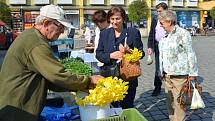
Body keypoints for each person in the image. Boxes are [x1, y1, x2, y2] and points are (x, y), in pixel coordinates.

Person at [0, 4, 102, 118]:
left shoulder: (33, 37)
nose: (62, 31)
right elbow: (57, 74)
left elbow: (50, 80)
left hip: (18, 106)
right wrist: (88, 81)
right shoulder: (36, 43)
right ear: (46, 23)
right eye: (60, 26)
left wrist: (80, 86)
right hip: (17, 109)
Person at [96, 6, 144, 109]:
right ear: (109, 19)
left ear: (123, 19)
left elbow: (141, 53)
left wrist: (129, 52)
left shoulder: (132, 32)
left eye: (118, 18)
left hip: (127, 76)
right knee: (112, 107)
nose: (115, 21)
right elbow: (98, 54)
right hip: (110, 77)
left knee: (127, 106)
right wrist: (110, 55)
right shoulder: (104, 34)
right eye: (112, 19)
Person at [158, 10, 198, 121]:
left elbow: (190, 53)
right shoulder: (165, 37)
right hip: (167, 75)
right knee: (169, 101)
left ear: (169, 21)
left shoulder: (183, 34)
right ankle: (172, 119)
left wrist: (192, 74)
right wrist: (160, 71)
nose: (160, 26)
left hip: (179, 75)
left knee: (179, 102)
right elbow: (162, 56)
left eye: (162, 23)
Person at [147, 2, 168, 96]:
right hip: (157, 46)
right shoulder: (155, 19)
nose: (158, 13)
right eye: (157, 11)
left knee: (168, 67)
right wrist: (150, 47)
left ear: (165, 11)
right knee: (158, 68)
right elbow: (151, 34)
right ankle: (157, 87)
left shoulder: (170, 19)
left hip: (168, 47)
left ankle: (170, 87)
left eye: (160, 11)